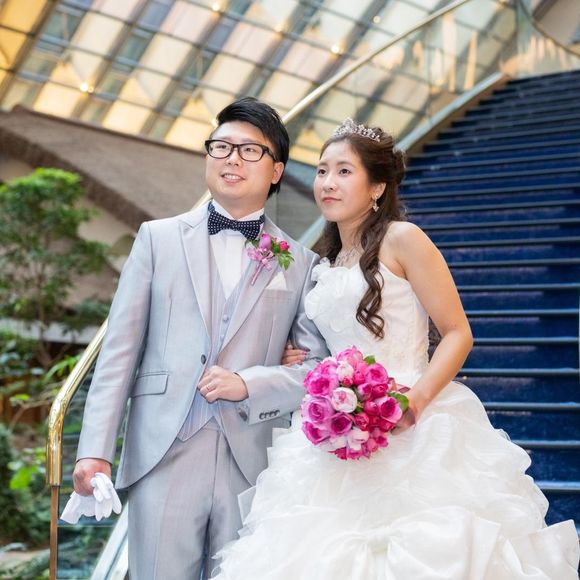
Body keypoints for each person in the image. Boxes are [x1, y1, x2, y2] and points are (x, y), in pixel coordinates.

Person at [213, 119, 580, 579]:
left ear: (377, 187)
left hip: (412, 418)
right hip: (337, 429)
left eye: (344, 171)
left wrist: (414, 402)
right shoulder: (324, 259)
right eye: (322, 171)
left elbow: (458, 332)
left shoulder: (403, 239)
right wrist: (305, 361)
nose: (327, 182)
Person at [72, 97, 328, 579]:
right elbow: (119, 352)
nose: (232, 159)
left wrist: (251, 382)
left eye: (250, 150)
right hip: (163, 447)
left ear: (276, 171)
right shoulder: (157, 238)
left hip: (254, 458)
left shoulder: (301, 262)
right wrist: (94, 449)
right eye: (221, 146)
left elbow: (317, 372)